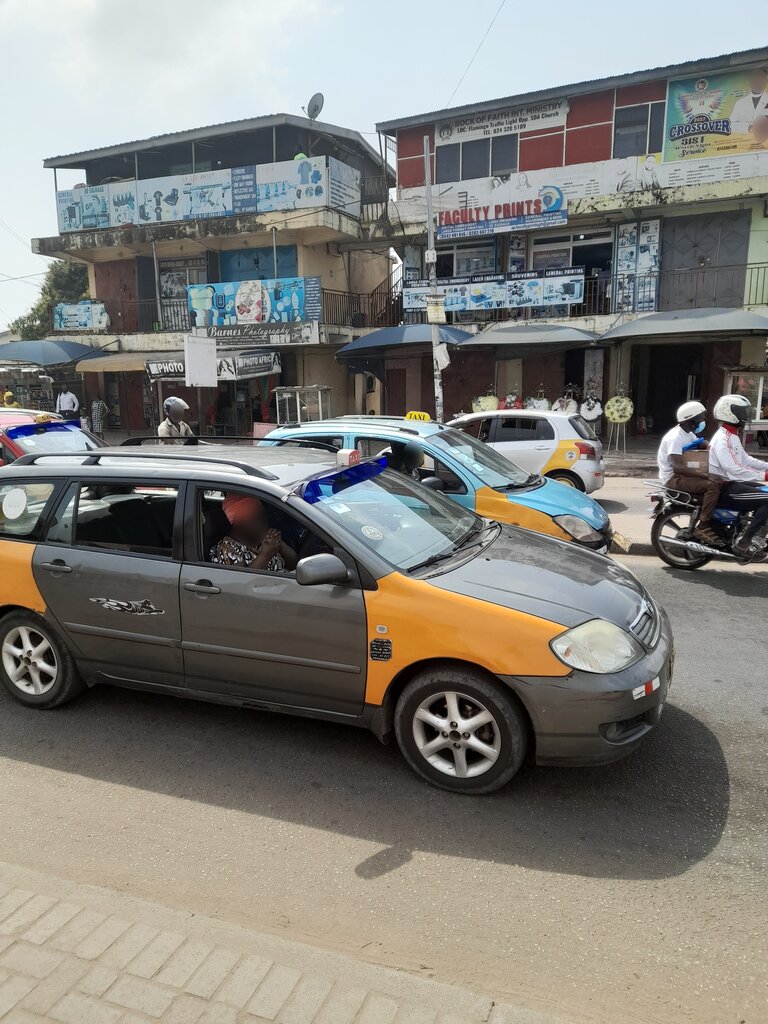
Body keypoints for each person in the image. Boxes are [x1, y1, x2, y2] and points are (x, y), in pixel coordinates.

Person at [708, 394, 768, 558]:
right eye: (742, 412)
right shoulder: (723, 438)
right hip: (726, 486)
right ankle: (745, 542)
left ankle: (756, 534)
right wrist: (765, 475)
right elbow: (734, 468)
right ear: (730, 412)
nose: (746, 416)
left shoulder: (731, 435)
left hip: (733, 482)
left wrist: (766, 468)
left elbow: (745, 459)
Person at [657, 400, 723, 547]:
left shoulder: (688, 434)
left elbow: (700, 443)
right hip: (674, 479)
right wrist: (704, 474)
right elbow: (678, 467)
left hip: (683, 476)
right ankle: (704, 526)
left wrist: (711, 446)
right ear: (690, 420)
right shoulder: (675, 437)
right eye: (700, 419)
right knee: (712, 486)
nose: (703, 421)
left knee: (721, 484)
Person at [209, 493, 297, 571]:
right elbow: (242, 584)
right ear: (238, 524)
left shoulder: (261, 539)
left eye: (262, 516)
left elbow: (294, 565)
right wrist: (265, 555)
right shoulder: (227, 548)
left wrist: (279, 543)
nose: (262, 522)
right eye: (255, 519)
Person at [730, 68, 768, 135]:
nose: (758, 82)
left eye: (761, 79)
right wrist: (747, 127)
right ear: (750, 82)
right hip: (744, 143)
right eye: (755, 79)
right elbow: (730, 124)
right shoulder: (740, 103)